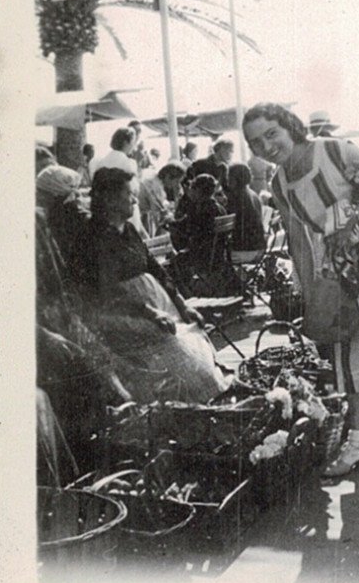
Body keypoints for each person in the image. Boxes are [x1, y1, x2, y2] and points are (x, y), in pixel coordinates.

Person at [243, 103, 359, 480]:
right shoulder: (280, 183)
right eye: (255, 142)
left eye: (271, 134)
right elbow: (297, 237)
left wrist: (350, 219)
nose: (266, 146)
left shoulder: (334, 150)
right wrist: (310, 289)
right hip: (337, 260)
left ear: (290, 127)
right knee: (347, 344)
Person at [72, 168, 228, 404]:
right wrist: (149, 312)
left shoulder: (130, 231)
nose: (134, 200)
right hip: (123, 315)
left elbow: (155, 268)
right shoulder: (92, 237)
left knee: (193, 331)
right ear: (109, 199)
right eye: (129, 194)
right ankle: (187, 410)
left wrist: (181, 304)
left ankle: (204, 403)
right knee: (180, 351)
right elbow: (104, 291)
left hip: (157, 310)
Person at [227, 162, 266, 262]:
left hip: (244, 249)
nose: (227, 180)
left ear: (236, 179)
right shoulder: (252, 194)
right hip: (259, 247)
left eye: (229, 177)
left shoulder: (236, 197)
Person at [137, 160, 186, 236]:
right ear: (168, 177)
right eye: (176, 181)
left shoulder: (153, 175)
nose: (177, 185)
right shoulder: (157, 188)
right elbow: (160, 219)